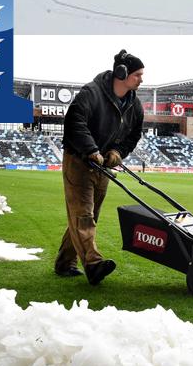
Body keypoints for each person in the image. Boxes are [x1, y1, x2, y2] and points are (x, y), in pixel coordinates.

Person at [54, 49, 145, 285]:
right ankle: (93, 265)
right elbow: (75, 123)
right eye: (137, 75)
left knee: (89, 215)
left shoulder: (135, 105)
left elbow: (134, 135)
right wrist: (91, 149)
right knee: (83, 215)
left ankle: (65, 262)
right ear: (121, 73)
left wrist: (117, 152)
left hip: (103, 164)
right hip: (78, 159)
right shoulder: (91, 94)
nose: (141, 79)